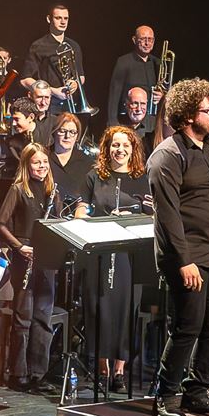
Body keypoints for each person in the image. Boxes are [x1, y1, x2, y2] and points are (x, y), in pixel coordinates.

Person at [149, 78, 209, 416]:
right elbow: (168, 215)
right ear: (187, 116)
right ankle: (166, 394)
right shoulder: (168, 155)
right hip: (187, 255)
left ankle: (196, 391)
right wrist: (184, 261)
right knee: (188, 326)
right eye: (208, 109)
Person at [75, 125, 150, 393]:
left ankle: (120, 370)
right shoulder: (94, 176)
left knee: (126, 308)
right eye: (115, 145)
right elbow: (81, 208)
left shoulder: (142, 178)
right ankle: (102, 367)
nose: (120, 150)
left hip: (130, 255)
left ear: (133, 149)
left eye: (125, 145)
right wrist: (83, 216)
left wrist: (134, 216)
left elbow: (152, 213)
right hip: (100, 251)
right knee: (99, 308)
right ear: (107, 149)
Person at [0, 143, 60, 394]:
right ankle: (18, 373)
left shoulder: (52, 191)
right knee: (23, 318)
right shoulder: (18, 189)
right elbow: (0, 223)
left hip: (46, 258)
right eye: (36, 162)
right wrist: (19, 247)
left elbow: (57, 222)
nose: (41, 166)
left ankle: (38, 374)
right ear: (26, 165)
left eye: (44, 162)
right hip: (24, 256)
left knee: (43, 318)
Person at [21, 3, 86, 115]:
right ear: (49, 19)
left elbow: (81, 77)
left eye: (66, 18)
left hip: (72, 105)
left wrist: (75, 84)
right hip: (48, 105)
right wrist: (52, 91)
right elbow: (25, 80)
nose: (63, 22)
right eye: (58, 18)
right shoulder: (38, 46)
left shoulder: (74, 45)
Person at [106, 26, 162, 127]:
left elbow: (164, 90)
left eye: (150, 39)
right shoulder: (123, 62)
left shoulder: (157, 63)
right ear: (134, 40)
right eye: (143, 39)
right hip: (129, 122)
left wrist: (162, 95)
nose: (147, 43)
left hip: (152, 122)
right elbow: (114, 95)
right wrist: (112, 122)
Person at [47, 112, 92, 210]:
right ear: (54, 132)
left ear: (77, 136)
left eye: (72, 132)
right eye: (62, 131)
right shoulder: (43, 156)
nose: (67, 136)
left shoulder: (87, 162)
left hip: (76, 214)